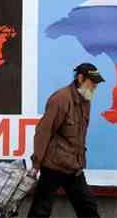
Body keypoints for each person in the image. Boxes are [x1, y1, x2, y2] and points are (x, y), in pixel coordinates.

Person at [28, 63, 104, 218]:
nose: (95, 87)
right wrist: (36, 163)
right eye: (92, 82)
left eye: (96, 83)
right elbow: (43, 132)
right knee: (40, 211)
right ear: (80, 78)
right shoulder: (60, 99)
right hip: (53, 166)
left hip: (73, 167)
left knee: (88, 207)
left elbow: (79, 136)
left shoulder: (86, 100)